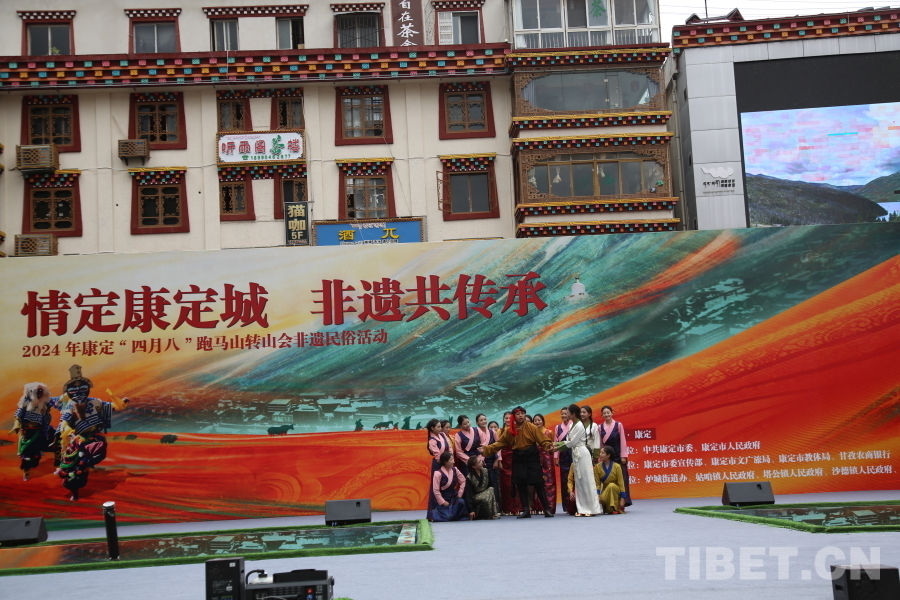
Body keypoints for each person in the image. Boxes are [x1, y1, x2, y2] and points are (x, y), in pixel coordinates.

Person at [51, 365, 129, 501]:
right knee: (72, 465)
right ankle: (73, 487)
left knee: (99, 451)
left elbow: (112, 407)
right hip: (76, 439)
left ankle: (86, 464)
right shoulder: (69, 407)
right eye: (74, 391)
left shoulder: (95, 402)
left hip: (94, 436)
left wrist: (119, 402)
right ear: (69, 392)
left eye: (82, 389)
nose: (78, 394)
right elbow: (64, 422)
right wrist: (69, 433)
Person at [479, 406, 555, 518]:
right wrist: (486, 449)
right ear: (514, 417)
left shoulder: (532, 427)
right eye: (518, 414)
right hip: (519, 458)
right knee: (521, 484)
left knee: (538, 484)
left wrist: (548, 446)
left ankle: (547, 509)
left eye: (522, 414)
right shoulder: (510, 430)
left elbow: (543, 440)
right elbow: (499, 444)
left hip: (532, 458)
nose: (521, 416)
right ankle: (526, 510)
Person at [555, 403, 602, 516]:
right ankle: (582, 509)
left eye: (568, 413)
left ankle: (592, 509)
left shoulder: (580, 425)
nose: (567, 414)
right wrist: (555, 445)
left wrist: (556, 447)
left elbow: (572, 442)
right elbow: (568, 440)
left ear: (573, 414)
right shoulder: (572, 425)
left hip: (582, 453)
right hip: (576, 454)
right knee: (579, 482)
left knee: (587, 481)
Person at [9, 382, 53, 481]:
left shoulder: (44, 404)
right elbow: (18, 414)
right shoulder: (25, 403)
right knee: (26, 451)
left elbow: (46, 417)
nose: (40, 394)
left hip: (38, 432)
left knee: (36, 451)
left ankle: (34, 463)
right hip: (27, 432)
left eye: (41, 391)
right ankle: (26, 471)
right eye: (38, 391)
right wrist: (17, 424)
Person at [600, 405, 632, 507]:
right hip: (607, 457)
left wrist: (623, 456)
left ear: (612, 413)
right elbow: (600, 443)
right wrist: (601, 456)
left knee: (622, 479)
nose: (606, 415)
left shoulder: (618, 425)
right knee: (609, 479)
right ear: (602, 415)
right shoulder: (600, 427)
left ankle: (623, 501)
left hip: (618, 455)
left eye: (608, 412)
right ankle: (611, 502)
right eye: (604, 413)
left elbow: (623, 440)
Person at [495, 412, 520, 515]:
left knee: (517, 483)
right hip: (504, 459)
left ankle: (518, 508)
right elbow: (497, 446)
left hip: (516, 458)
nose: (508, 420)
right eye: (506, 418)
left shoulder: (517, 430)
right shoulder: (499, 431)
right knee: (506, 484)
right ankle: (507, 509)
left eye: (510, 418)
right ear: (503, 419)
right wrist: (499, 460)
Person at [531, 414, 557, 514]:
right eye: (535, 421)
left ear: (543, 421)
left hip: (547, 460)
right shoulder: (532, 433)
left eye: (539, 420)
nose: (537, 422)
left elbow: (552, 446)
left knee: (549, 483)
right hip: (536, 459)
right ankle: (538, 507)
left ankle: (550, 507)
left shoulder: (549, 432)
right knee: (537, 482)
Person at [431, 451, 468, 522]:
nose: (453, 461)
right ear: (445, 462)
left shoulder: (455, 470)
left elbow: (463, 480)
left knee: (461, 502)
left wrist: (460, 494)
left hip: (454, 497)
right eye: (451, 460)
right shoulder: (438, 473)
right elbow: (436, 490)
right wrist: (443, 502)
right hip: (444, 497)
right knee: (448, 516)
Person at [426, 418, 450, 520]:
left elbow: (449, 448)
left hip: (447, 463)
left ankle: (446, 513)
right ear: (432, 428)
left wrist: (451, 460)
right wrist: (445, 463)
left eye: (440, 426)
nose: (441, 428)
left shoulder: (443, 435)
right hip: (438, 465)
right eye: (438, 427)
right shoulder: (432, 440)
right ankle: (433, 515)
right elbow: (437, 455)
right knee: (436, 488)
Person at [475, 414, 500, 509]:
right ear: (477, 422)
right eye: (481, 420)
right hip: (480, 462)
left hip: (491, 461)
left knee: (494, 484)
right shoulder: (475, 432)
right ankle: (484, 509)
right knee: (482, 485)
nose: (483, 421)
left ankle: (496, 508)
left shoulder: (492, 432)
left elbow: (498, 446)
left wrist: (497, 459)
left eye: (485, 419)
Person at [464, 455, 499, 520]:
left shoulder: (486, 471)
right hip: (476, 497)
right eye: (479, 462)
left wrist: (496, 500)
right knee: (490, 491)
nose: (481, 463)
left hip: (488, 494)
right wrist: (471, 509)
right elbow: (468, 494)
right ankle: (491, 513)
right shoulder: (469, 477)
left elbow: (491, 484)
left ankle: (492, 513)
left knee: (491, 489)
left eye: (481, 461)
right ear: (474, 466)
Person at [596, 445, 628, 514]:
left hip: (616, 491)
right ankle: (609, 508)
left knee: (612, 485)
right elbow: (597, 484)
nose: (600, 455)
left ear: (608, 455)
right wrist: (597, 495)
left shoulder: (617, 466)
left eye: (602, 453)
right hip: (605, 491)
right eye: (600, 453)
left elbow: (621, 483)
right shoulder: (597, 467)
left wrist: (623, 498)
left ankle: (615, 508)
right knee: (603, 496)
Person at [554, 406, 573, 507]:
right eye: (562, 414)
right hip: (563, 455)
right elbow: (556, 442)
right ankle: (566, 505)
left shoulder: (574, 425)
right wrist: (556, 457)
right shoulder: (558, 427)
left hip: (573, 454)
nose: (564, 415)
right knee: (564, 479)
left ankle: (574, 503)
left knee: (574, 479)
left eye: (566, 413)